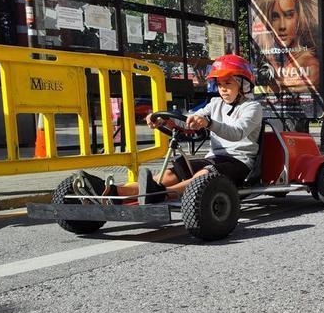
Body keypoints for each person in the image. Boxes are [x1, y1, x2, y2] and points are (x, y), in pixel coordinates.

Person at [73, 54, 263, 204]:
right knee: (172, 173)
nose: (223, 89)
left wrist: (208, 124)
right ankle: (112, 191)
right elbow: (188, 120)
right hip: (214, 158)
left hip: (240, 163)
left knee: (203, 175)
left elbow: (237, 133)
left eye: (228, 83)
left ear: (244, 84)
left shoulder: (252, 108)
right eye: (220, 84)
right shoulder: (214, 104)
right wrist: (165, 121)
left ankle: (161, 195)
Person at [254, 0, 321, 93]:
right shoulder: (270, 58)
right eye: (274, 17)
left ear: (299, 17)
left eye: (289, 15)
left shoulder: (310, 63)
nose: (282, 26)